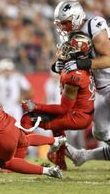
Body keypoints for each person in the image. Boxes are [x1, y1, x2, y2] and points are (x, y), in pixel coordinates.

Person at [22, 31, 95, 170]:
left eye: (70, 48)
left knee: (28, 119)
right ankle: (60, 161)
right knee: (57, 126)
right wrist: (56, 67)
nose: (65, 50)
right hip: (82, 112)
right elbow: (59, 67)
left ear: (79, 52)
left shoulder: (74, 76)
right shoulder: (79, 66)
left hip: (78, 116)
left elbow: (63, 109)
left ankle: (16, 160)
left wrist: (35, 106)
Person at [52, 0, 110, 146]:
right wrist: (59, 65)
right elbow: (68, 61)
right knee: (100, 132)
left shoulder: (94, 25)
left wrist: (81, 63)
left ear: (76, 17)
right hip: (100, 88)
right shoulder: (68, 35)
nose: (63, 27)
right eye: (61, 23)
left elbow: (109, 59)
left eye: (65, 23)